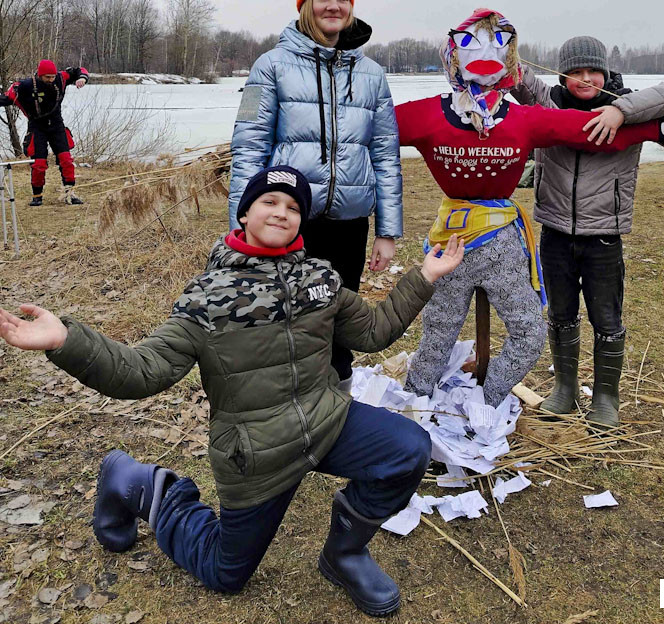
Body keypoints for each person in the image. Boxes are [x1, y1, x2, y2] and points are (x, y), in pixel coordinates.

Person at [0, 166, 465, 617]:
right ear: (244, 213)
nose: (281, 212)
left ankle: (344, 555)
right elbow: (141, 371)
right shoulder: (206, 298)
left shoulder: (321, 281)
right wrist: (66, 340)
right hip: (257, 453)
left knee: (409, 448)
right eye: (269, 201)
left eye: (293, 206)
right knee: (225, 573)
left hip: (326, 422)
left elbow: (375, 332)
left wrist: (422, 278)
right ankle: (139, 484)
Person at [395, 11, 664, 408]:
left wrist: (648, 126)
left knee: (533, 331)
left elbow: (589, 134)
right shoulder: (431, 113)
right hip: (456, 242)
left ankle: (488, 403)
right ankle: (416, 407)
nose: (585, 79)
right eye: (472, 43)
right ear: (453, 53)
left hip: (516, 242)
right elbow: (373, 129)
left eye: (498, 44)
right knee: (438, 333)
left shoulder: (525, 118)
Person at [228, 0, 401, 391]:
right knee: (285, 316)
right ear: (305, 4)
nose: (333, 6)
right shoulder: (269, 66)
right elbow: (248, 144)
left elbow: (385, 153)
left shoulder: (372, 74)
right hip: (288, 221)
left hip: (349, 223)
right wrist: (241, 219)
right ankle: (287, 407)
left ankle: (338, 401)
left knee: (340, 316)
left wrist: (388, 230)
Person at [512, 36, 664, 427]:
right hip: (555, 232)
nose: (585, 79)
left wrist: (619, 112)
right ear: (563, 74)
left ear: (605, 73)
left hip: (605, 235)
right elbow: (516, 77)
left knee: (606, 318)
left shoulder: (632, 107)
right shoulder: (549, 104)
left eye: (593, 71)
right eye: (575, 72)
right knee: (560, 313)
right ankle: (565, 389)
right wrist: (493, 44)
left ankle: (606, 396)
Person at [0, 59, 89, 205]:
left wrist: (82, 79)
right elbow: (7, 97)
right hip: (37, 127)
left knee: (66, 160)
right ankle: (37, 196)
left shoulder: (61, 78)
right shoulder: (25, 86)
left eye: (52, 76)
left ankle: (69, 194)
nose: (51, 79)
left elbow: (80, 70)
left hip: (56, 125)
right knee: (39, 164)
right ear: (40, 75)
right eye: (47, 77)